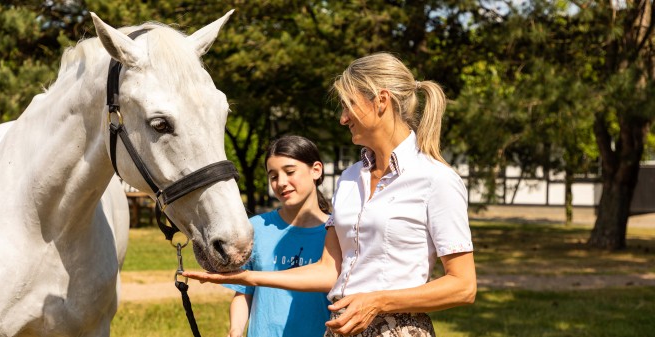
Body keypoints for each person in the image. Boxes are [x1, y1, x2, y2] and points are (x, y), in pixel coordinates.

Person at [185, 52, 476, 337]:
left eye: (349, 105)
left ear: (381, 101)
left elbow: (463, 286)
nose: (343, 118)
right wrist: (249, 277)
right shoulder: (349, 179)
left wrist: (377, 302)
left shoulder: (436, 179)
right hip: (341, 327)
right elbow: (329, 270)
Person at [223, 135, 332, 337]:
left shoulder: (336, 233)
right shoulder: (255, 228)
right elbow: (243, 293)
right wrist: (236, 329)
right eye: (273, 176)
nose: (281, 182)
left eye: (290, 172)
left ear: (316, 170)